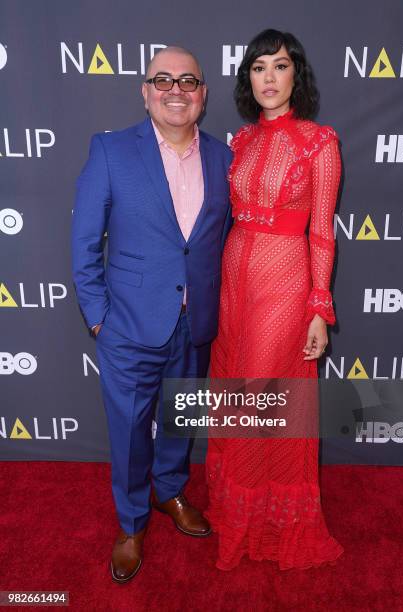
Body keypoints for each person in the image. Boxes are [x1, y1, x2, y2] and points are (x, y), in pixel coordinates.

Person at [71, 46, 232, 583]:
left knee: (181, 418)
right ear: (145, 92)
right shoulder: (112, 151)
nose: (175, 89)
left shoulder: (223, 158)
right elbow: (84, 242)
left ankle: (170, 492)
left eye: (188, 80)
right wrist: (99, 318)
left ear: (203, 94)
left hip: (197, 320)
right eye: (162, 80)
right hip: (130, 325)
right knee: (130, 429)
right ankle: (132, 521)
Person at [205, 29, 345, 570]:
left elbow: (323, 233)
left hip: (284, 281)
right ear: (249, 79)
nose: (268, 77)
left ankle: (265, 524)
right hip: (233, 280)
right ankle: (236, 510)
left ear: (296, 75)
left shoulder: (318, 142)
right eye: (258, 67)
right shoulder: (240, 141)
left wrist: (318, 307)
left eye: (279, 66)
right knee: (233, 396)